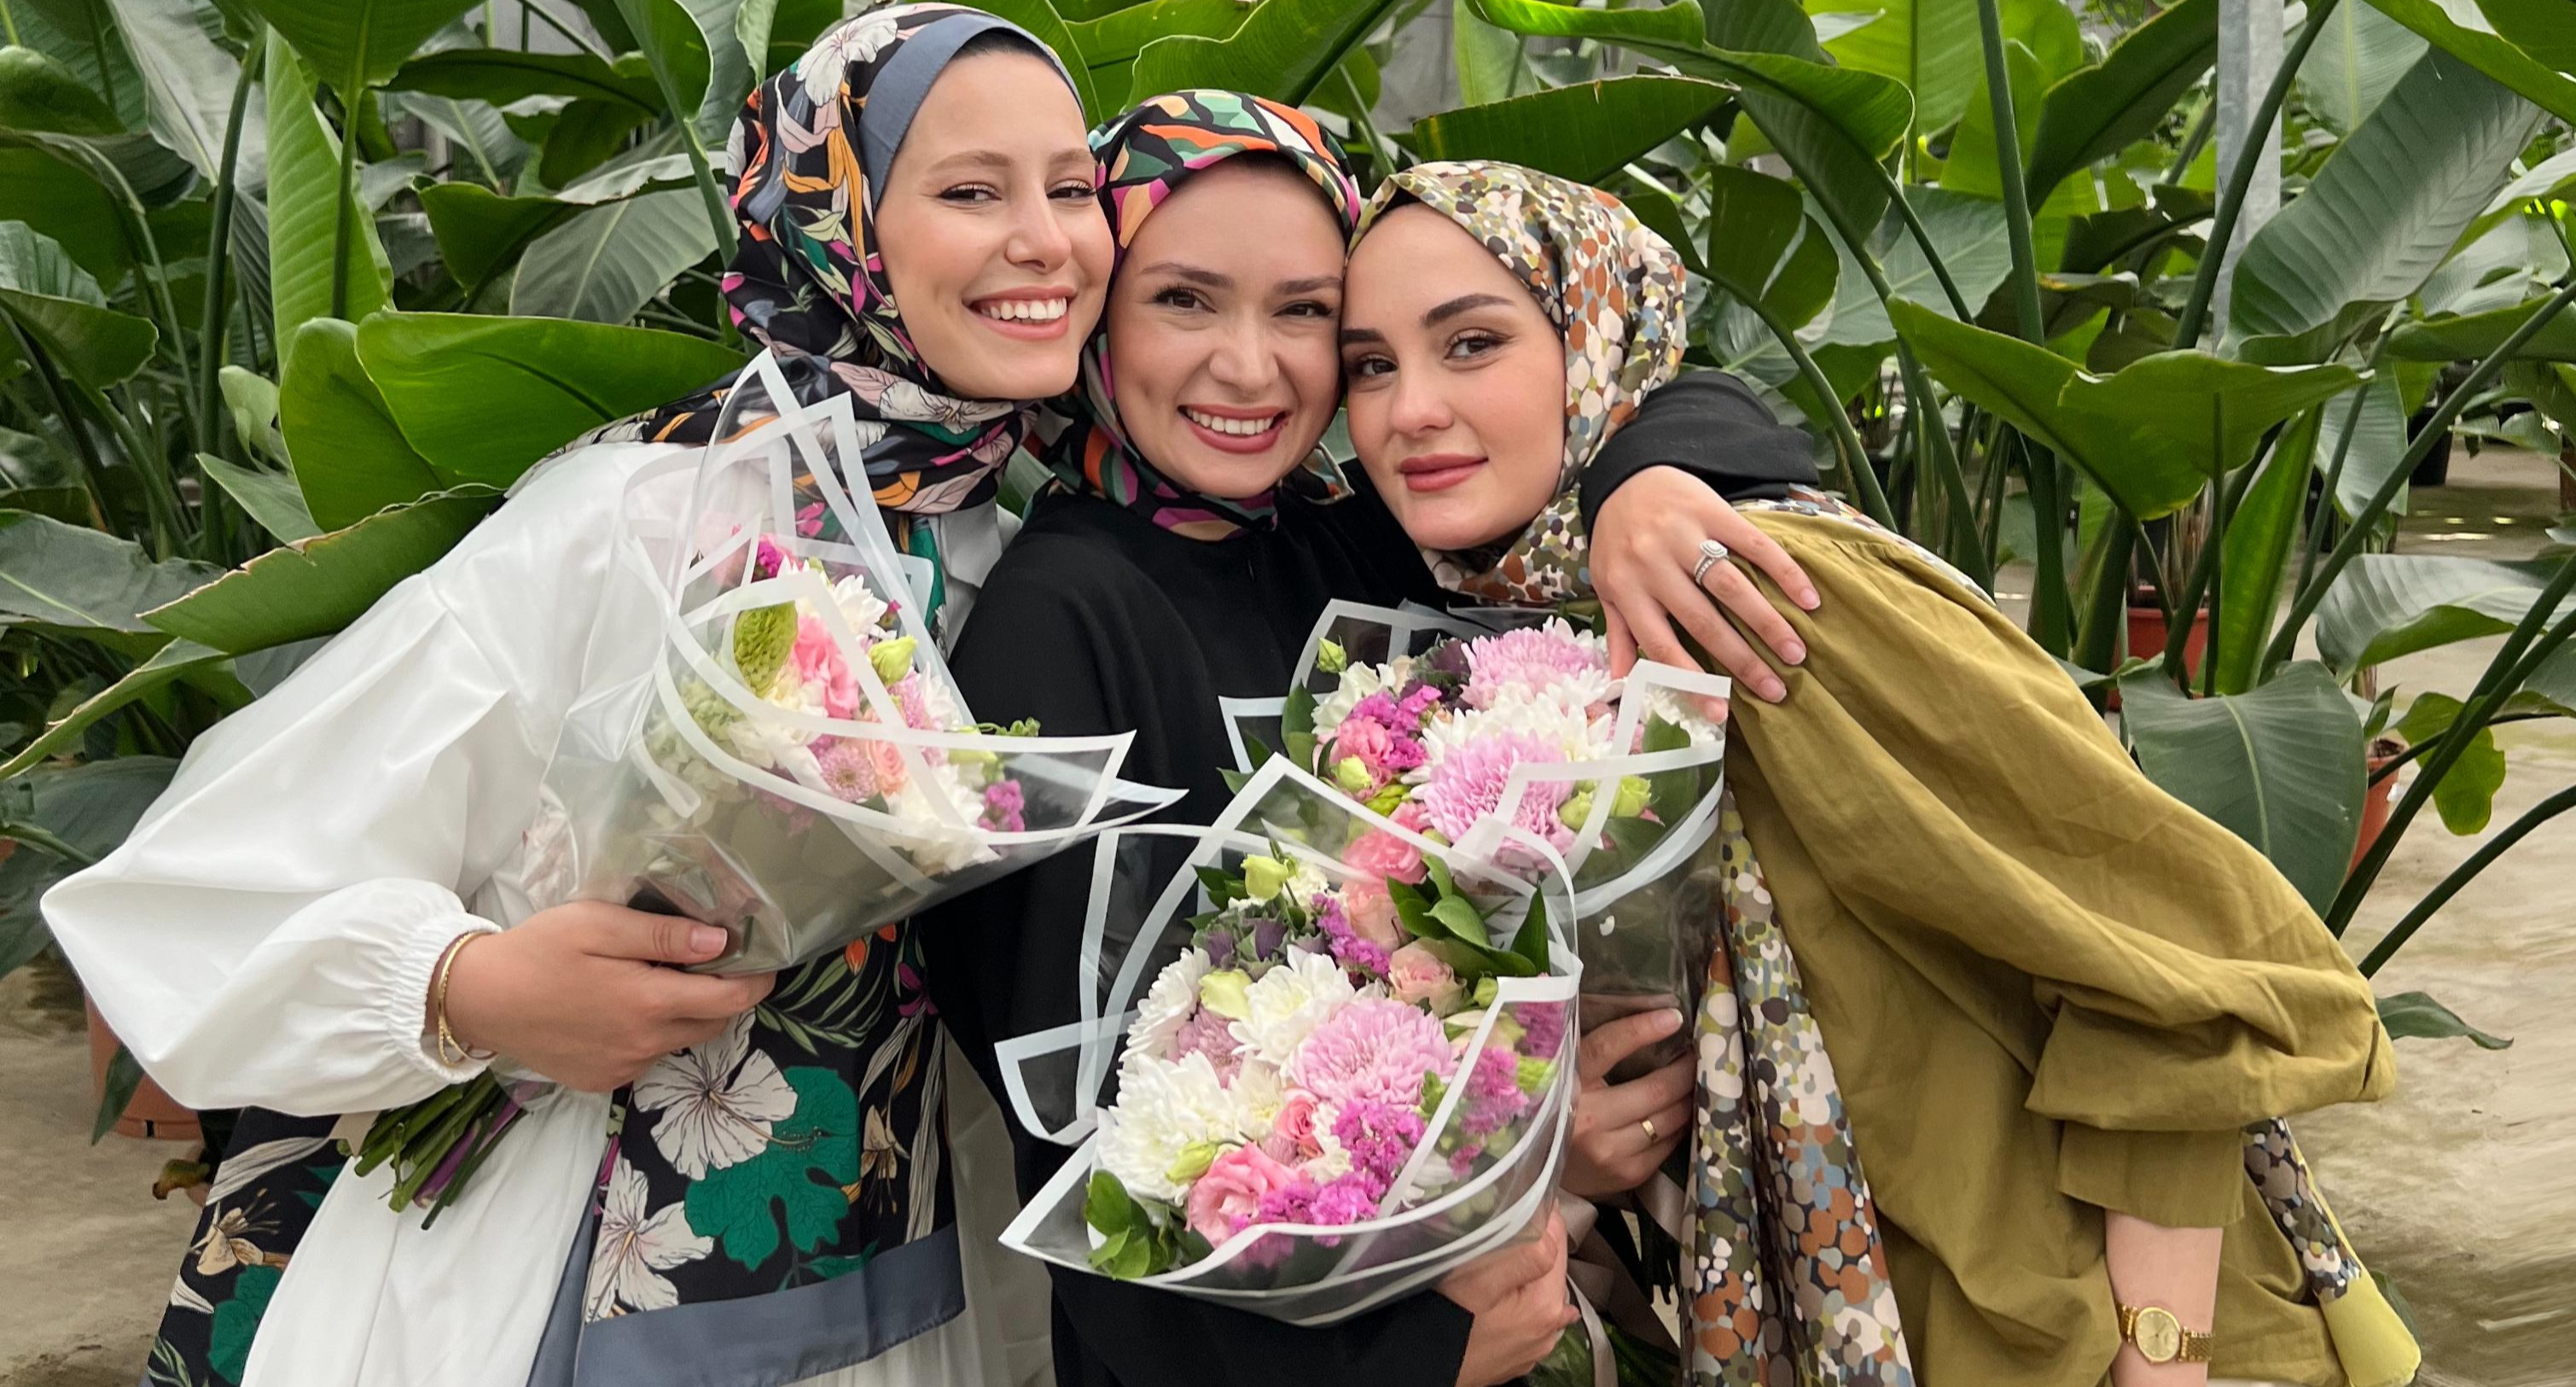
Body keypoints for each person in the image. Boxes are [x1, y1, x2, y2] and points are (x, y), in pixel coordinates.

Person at [46, 10, 1113, 1386]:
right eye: (971, 191)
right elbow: (201, 880)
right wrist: (472, 988)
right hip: (544, 1246)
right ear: (834, 222)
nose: (1045, 240)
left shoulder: (1029, 551)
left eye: (1072, 189)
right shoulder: (648, 516)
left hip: (904, 1263)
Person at [1334, 159, 2420, 1387]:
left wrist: (2160, 1361)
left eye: (1471, 343)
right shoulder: (1524, 644)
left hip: (2077, 1337)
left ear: (1594, 342)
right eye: (1369, 365)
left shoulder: (1761, 597)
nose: (1409, 409)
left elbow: (2187, 968)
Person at [920, 93, 1834, 1387]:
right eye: (1183, 300)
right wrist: (1421, 1341)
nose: (1251, 368)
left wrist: (1643, 483)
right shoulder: (1052, 626)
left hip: (1534, 1295)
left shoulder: (1365, 538)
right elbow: (1082, 1152)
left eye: (1303, 313)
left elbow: (1658, 390)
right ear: (1099, 316)